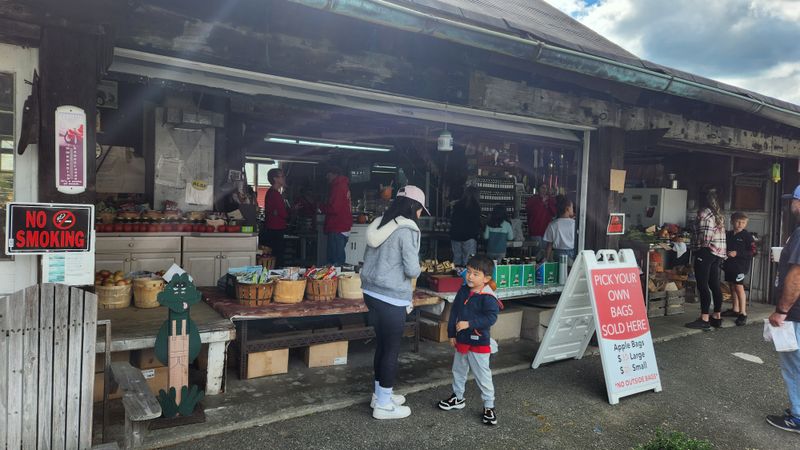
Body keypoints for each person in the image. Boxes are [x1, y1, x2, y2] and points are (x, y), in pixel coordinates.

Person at [360, 185, 429, 420]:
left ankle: (380, 395)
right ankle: (384, 406)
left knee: (382, 345)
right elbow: (411, 269)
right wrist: (420, 267)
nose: (420, 215)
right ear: (414, 207)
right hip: (391, 297)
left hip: (371, 292)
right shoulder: (407, 230)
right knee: (391, 350)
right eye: (420, 210)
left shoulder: (382, 222)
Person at [438, 254, 502, 426]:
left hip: (480, 342)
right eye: (469, 272)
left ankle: (489, 406)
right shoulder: (463, 290)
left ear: (487, 278)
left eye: (475, 274)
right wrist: (451, 333)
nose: (470, 276)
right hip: (461, 340)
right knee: (458, 370)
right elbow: (454, 313)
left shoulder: (488, 297)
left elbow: (491, 319)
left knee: (483, 375)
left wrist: (469, 323)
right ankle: (457, 398)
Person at [766, 184, 800, 433]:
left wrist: (782, 310)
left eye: (794, 200)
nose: (792, 205)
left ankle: (797, 416)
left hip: (796, 313)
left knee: (794, 364)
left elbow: (797, 275)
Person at [685, 189, 727, 330]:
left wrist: (700, 248)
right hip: (717, 253)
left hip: (706, 251)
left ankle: (704, 318)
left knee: (702, 285)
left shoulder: (704, 212)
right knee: (714, 284)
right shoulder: (718, 213)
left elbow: (706, 236)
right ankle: (716, 317)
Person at [721, 212, 756, 326]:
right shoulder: (728, 234)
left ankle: (743, 313)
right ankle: (735, 309)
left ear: (746, 223)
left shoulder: (747, 236)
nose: (740, 224)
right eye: (738, 221)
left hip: (740, 266)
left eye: (743, 222)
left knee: (739, 287)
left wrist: (738, 253)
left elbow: (753, 252)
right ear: (732, 222)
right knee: (731, 285)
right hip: (729, 265)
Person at [320, 166, 353, 265]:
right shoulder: (343, 185)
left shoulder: (338, 186)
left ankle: (337, 280)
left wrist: (321, 207)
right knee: (337, 258)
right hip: (342, 226)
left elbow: (334, 208)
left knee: (335, 261)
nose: (326, 176)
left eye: (328, 174)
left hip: (337, 226)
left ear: (334, 173)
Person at [260, 168, 288, 267]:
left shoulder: (273, 193)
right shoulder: (274, 194)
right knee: (277, 257)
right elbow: (283, 213)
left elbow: (278, 212)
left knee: (274, 256)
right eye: (282, 176)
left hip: (273, 227)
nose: (284, 178)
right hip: (276, 229)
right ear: (275, 179)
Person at [449, 186, 482, 266]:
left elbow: (452, 219)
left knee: (456, 259)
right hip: (469, 236)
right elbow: (477, 222)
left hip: (455, 235)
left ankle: (457, 276)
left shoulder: (457, 205)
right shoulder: (476, 207)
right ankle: (466, 277)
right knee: (468, 261)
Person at [526, 183, 556, 258]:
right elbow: (530, 211)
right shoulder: (533, 199)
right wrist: (541, 202)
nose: (544, 190)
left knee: (546, 255)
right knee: (536, 255)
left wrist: (548, 204)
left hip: (546, 231)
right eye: (542, 188)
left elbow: (554, 213)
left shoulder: (551, 200)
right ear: (538, 189)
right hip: (535, 231)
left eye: (546, 188)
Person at [543, 195, 576, 262]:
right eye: (572, 207)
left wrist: (546, 259)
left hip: (558, 253)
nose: (573, 209)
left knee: (559, 271)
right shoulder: (575, 224)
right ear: (567, 209)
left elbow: (549, 245)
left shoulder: (553, 224)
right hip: (572, 253)